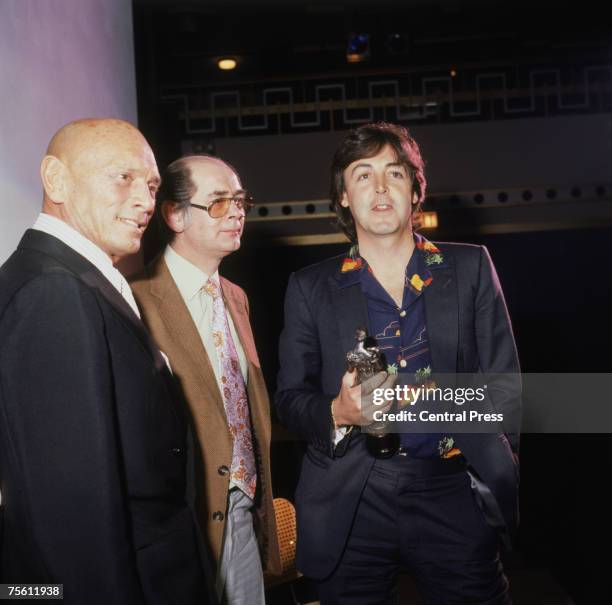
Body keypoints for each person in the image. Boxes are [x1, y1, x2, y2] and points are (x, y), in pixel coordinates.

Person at [276, 122, 521, 604]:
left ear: (415, 189)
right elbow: (289, 400)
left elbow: (505, 388)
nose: (381, 187)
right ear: (344, 196)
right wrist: (337, 413)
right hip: (351, 496)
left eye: (395, 172)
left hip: (453, 487)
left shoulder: (470, 267)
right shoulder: (309, 287)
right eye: (363, 175)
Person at [0, 119, 213, 604]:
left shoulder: (71, 279)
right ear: (56, 180)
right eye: (124, 178)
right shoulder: (53, 291)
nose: (145, 200)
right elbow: (72, 513)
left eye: (152, 185)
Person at [130, 155, 281, 605]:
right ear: (174, 214)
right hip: (184, 514)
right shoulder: (134, 298)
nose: (236, 212)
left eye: (239, 200)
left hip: (243, 505)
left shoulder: (235, 297)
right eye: (217, 202)